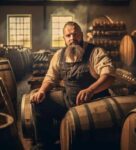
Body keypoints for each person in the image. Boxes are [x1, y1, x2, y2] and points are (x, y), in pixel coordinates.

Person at [31, 21, 115, 150]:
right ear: (64, 39)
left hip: (94, 103)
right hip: (70, 100)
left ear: (81, 35)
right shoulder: (59, 55)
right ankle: (45, 144)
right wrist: (42, 91)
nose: (72, 39)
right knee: (40, 102)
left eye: (75, 34)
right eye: (68, 35)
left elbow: (109, 76)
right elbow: (50, 78)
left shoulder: (95, 52)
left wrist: (91, 90)